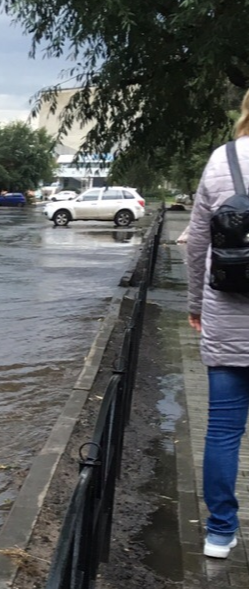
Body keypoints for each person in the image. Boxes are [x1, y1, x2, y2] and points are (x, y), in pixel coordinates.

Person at [185, 90, 249, 560]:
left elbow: (195, 245)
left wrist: (196, 306)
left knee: (224, 429)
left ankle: (219, 533)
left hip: (227, 315)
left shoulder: (222, 160)